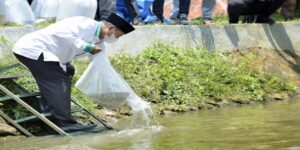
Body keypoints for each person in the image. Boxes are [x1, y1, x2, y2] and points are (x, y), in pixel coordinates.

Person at [12, 13, 135, 133]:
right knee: (59, 79)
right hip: (33, 49)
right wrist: (86, 47)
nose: (116, 39)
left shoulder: (100, 43)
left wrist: (116, 88)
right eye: (117, 35)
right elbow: (59, 33)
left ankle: (48, 107)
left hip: (50, 55)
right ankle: (65, 124)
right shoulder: (83, 23)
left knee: (69, 70)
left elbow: (102, 65)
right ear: (111, 28)